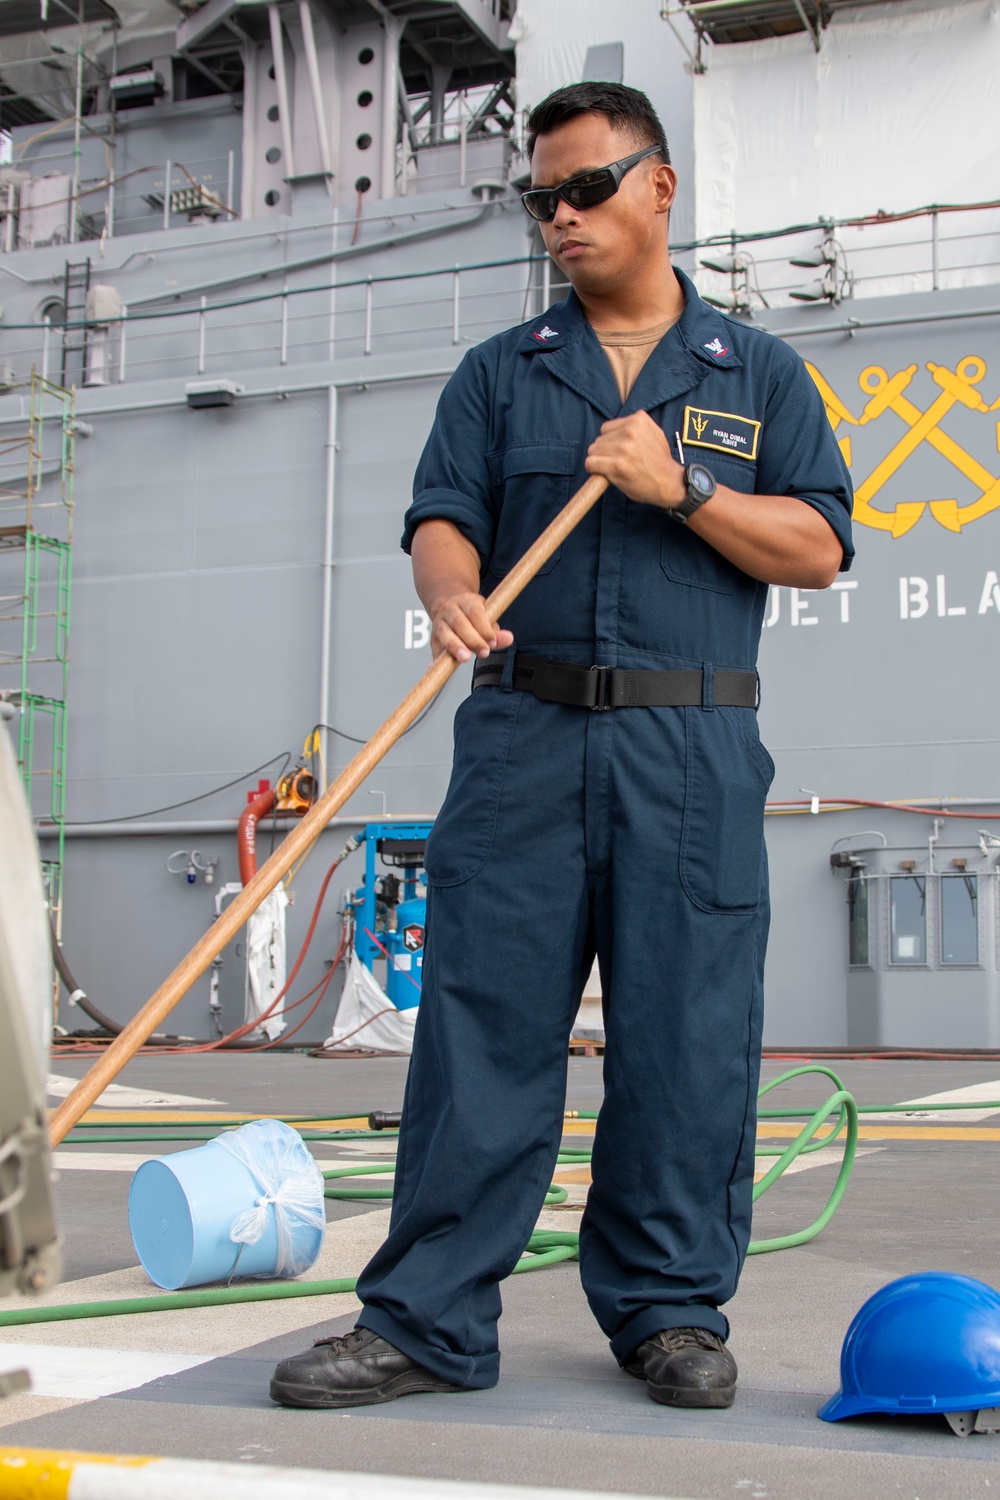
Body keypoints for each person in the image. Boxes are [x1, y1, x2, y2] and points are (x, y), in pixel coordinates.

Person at [271, 81, 853, 1413]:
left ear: (660, 187)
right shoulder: (503, 371)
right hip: (523, 735)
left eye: (587, 188)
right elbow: (442, 515)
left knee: (686, 1034)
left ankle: (669, 1310)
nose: (562, 216)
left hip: (690, 746)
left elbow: (819, 544)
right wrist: (450, 592)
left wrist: (681, 486)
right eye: (542, 198)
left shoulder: (756, 372)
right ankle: (425, 1319)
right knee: (482, 1027)